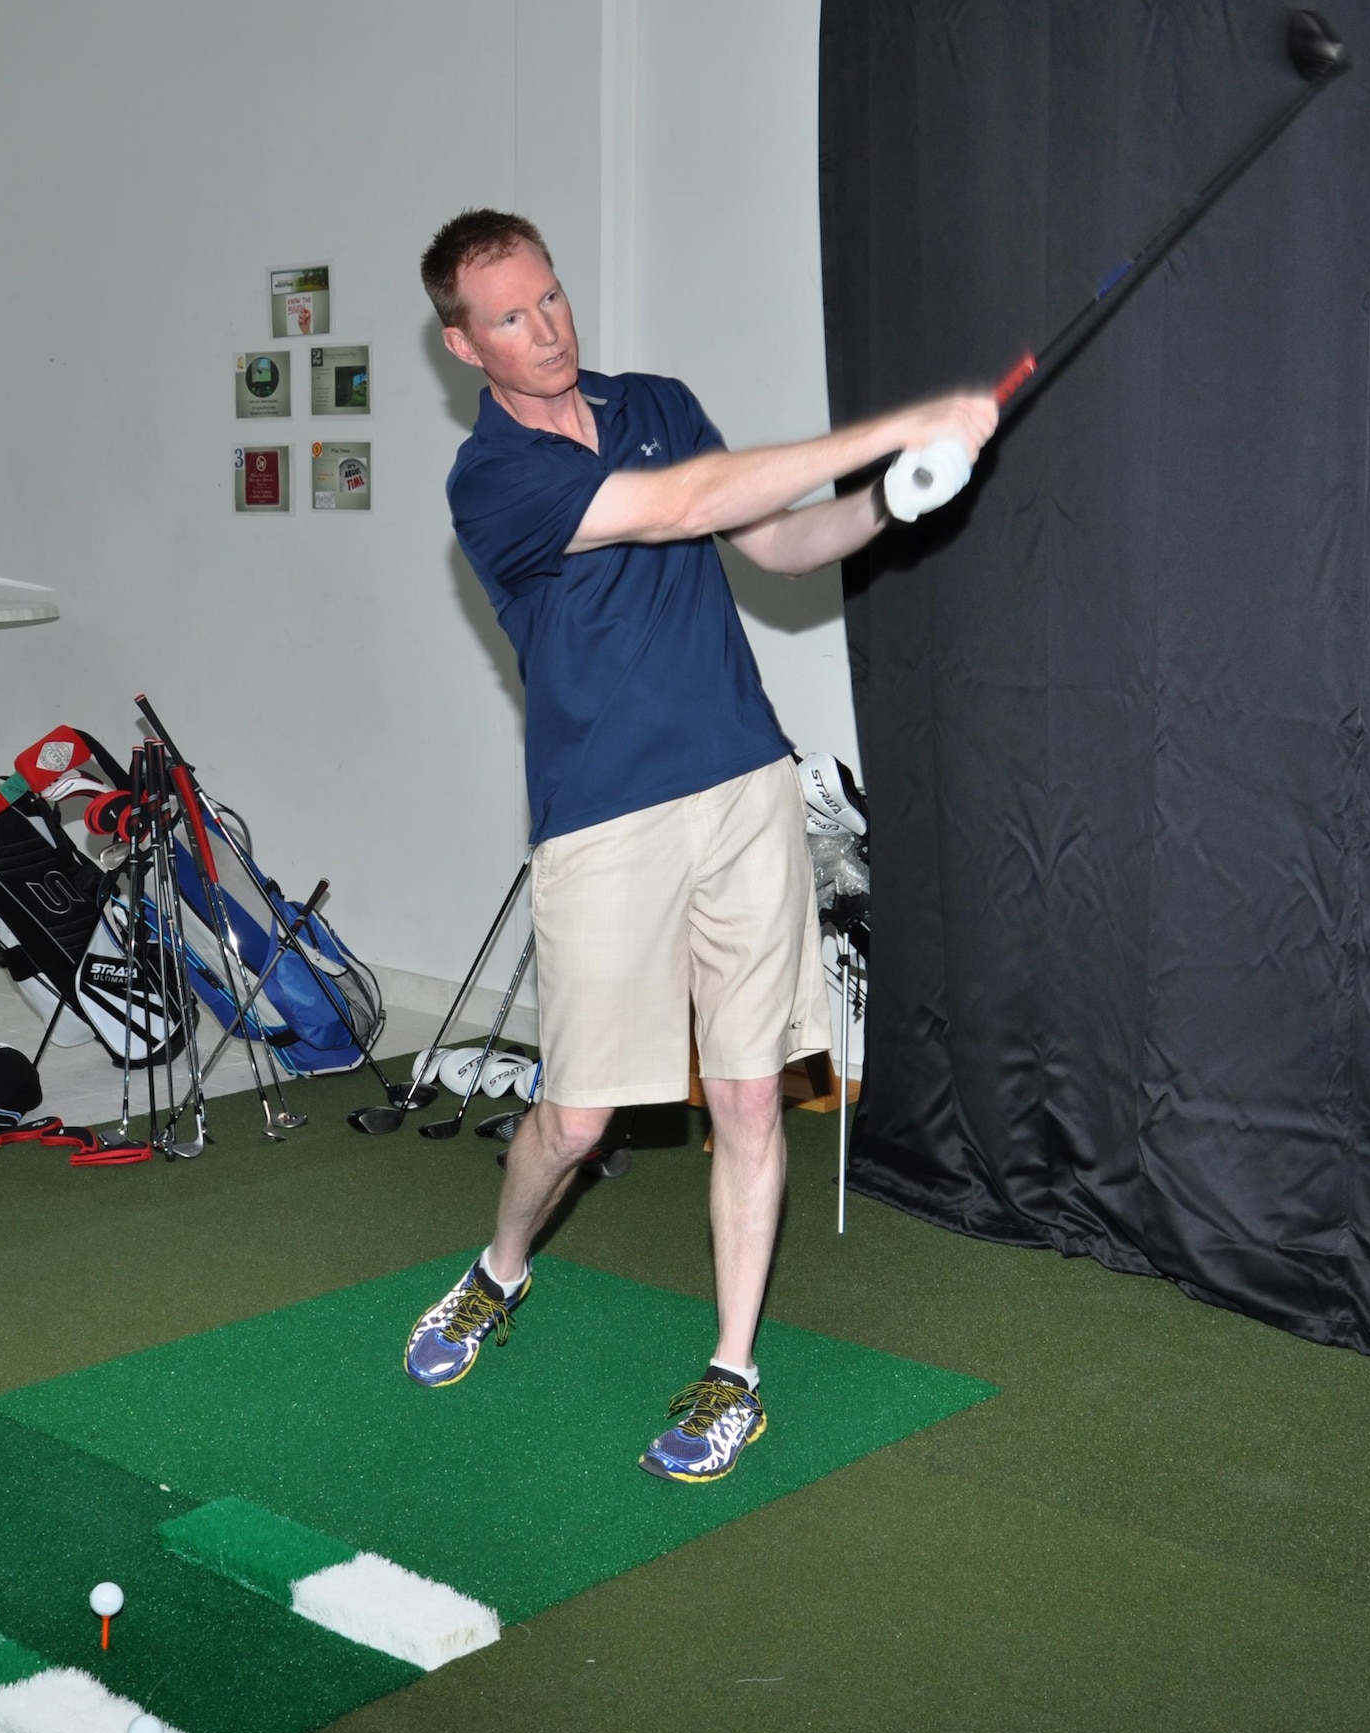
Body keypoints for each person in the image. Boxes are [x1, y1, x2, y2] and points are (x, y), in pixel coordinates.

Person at [409, 206, 997, 1481]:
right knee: (573, 1119)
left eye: (551, 297)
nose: (547, 327)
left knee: (746, 1091)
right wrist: (897, 422)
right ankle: (497, 1268)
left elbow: (778, 539)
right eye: (510, 317)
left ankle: (732, 1370)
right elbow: (682, 504)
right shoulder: (492, 482)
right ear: (465, 345)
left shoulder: (657, 399)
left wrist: (892, 499)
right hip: (605, 821)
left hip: (742, 787)